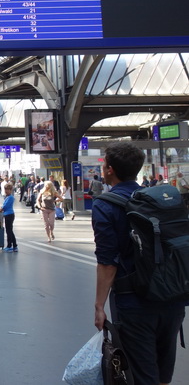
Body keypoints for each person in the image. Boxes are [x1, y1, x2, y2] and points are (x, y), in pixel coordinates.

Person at [92, 141, 185, 384]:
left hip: (134, 301)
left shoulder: (105, 204)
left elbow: (107, 262)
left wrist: (99, 306)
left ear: (109, 170)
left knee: (143, 376)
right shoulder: (160, 199)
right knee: (163, 374)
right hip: (172, 296)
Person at [0, 183, 17, 252]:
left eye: (8, 189)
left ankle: (9, 246)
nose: (6, 191)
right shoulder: (7, 197)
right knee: (10, 230)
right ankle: (15, 245)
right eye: (5, 189)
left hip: (9, 215)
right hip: (7, 214)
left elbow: (5, 206)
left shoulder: (10, 197)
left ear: (11, 190)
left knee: (8, 231)